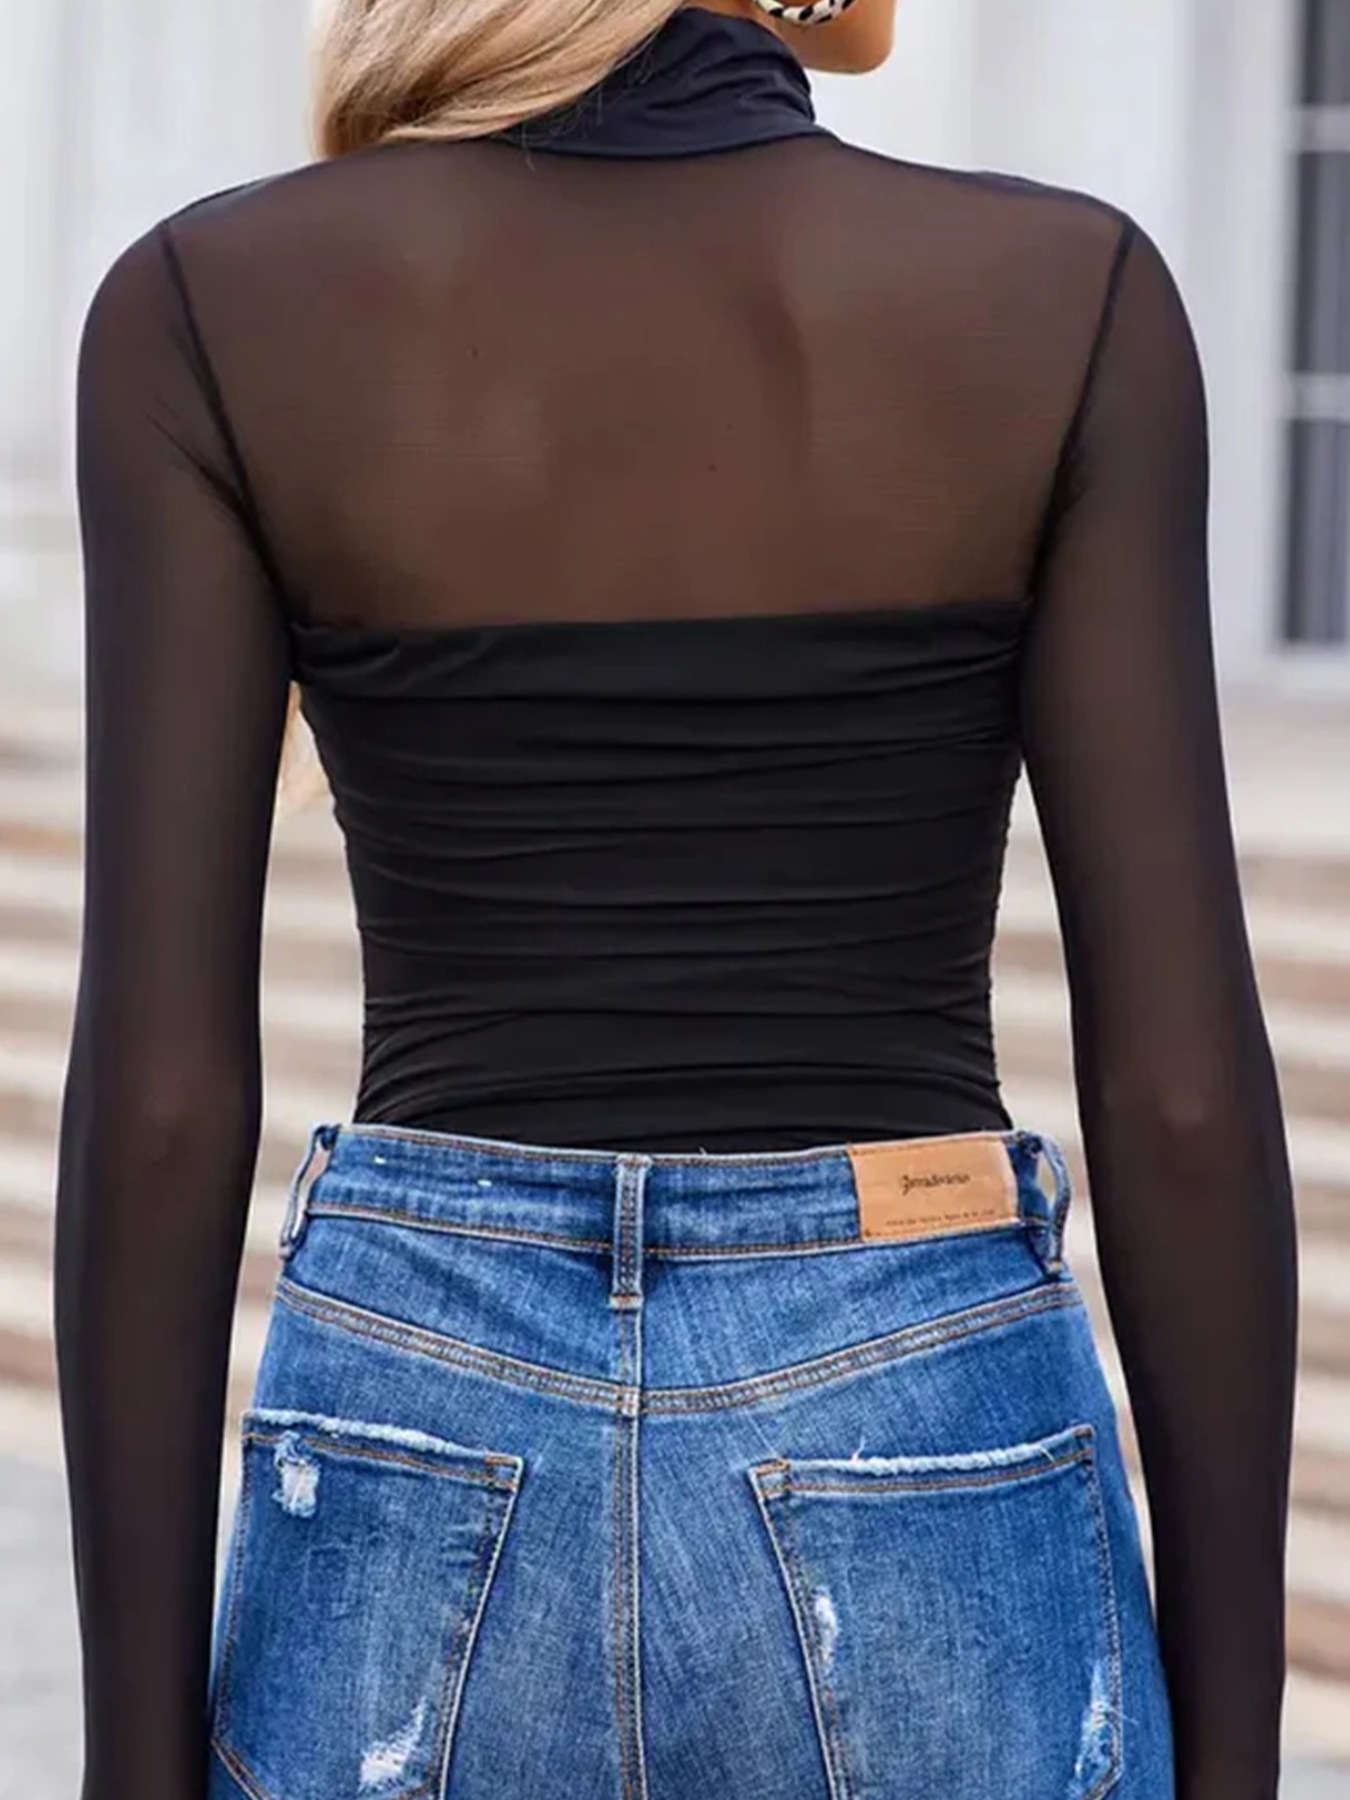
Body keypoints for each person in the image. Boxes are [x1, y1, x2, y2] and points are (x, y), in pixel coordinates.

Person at [55, 1, 1298, 1797]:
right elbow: (1177, 1092)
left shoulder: (202, 306)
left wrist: (129, 1768)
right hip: (915, 1368)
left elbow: (163, 1096)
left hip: (423, 1381)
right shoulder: (1063, 292)